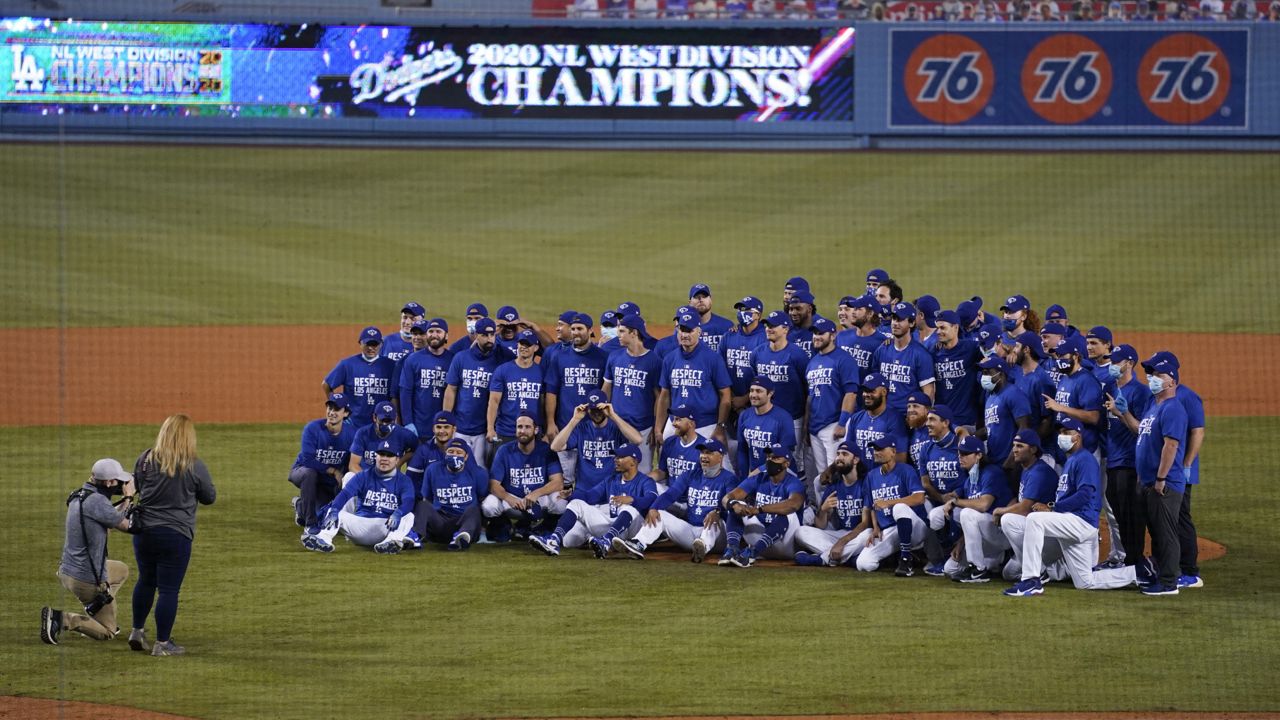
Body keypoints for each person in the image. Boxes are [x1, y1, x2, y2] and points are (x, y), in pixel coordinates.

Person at [1002, 419, 1146, 597]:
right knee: (1085, 582)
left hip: (1081, 522)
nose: (1062, 436)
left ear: (1078, 437)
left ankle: (1032, 579)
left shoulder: (1084, 459)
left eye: (1067, 432)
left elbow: (1085, 494)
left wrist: (1053, 507)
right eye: (1060, 432)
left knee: (1035, 519)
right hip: (1072, 527)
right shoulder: (1071, 460)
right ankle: (1139, 573)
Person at [130, 414, 217, 657]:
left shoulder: (145, 458)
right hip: (176, 534)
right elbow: (209, 497)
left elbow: (136, 485)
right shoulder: (193, 465)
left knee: (145, 580)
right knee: (168, 590)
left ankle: (136, 631)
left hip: (143, 532)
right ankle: (162, 643)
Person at [41, 459, 137, 646]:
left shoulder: (80, 495)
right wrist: (128, 498)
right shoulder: (98, 501)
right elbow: (123, 523)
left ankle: (97, 609)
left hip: (68, 570)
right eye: (118, 481)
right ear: (109, 482)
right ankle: (62, 619)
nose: (120, 485)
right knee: (108, 632)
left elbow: (105, 517)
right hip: (86, 578)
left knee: (121, 569)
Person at [612, 438, 738, 562]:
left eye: (709, 453)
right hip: (692, 533)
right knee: (659, 514)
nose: (704, 456)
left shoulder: (730, 479)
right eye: (702, 452)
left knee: (713, 519)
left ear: (720, 457)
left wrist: (718, 512)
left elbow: (731, 507)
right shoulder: (691, 474)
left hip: (717, 536)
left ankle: (703, 547)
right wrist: (654, 508)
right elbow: (670, 494)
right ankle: (638, 544)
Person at [529, 444, 657, 557]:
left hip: (633, 530)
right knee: (577, 504)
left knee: (628, 508)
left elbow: (651, 499)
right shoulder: (611, 479)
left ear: (633, 461)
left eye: (621, 457)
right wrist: (571, 495)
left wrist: (632, 500)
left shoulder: (646, 481)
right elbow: (590, 496)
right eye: (616, 456)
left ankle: (605, 542)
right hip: (613, 528)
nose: (616, 459)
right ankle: (554, 540)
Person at [1133, 351, 1190, 596]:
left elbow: (1171, 445)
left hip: (1164, 484)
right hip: (1149, 482)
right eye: (1151, 373)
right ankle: (1161, 577)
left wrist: (1160, 478)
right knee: (1157, 532)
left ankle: (1169, 583)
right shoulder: (1155, 406)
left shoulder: (1173, 408)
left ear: (1172, 381)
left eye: (1158, 374)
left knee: (1166, 533)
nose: (1152, 378)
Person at [303, 440, 415, 555]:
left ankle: (391, 543)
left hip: (385, 528)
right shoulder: (364, 476)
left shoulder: (404, 481)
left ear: (397, 460)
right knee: (335, 510)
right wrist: (335, 509)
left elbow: (409, 501)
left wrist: (399, 512)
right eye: (381, 454)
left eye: (390, 455)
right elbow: (345, 494)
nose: (384, 458)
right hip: (360, 526)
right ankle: (323, 538)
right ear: (375, 457)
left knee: (408, 516)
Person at [1101, 344, 1153, 568]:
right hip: (1112, 460)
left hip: (1130, 462)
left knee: (1132, 515)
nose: (1112, 365)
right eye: (1110, 360)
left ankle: (1136, 561)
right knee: (1120, 514)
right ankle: (1129, 560)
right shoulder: (1109, 387)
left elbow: (1141, 430)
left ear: (1129, 363)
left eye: (1116, 361)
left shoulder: (1141, 392)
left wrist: (1122, 413)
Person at [483, 414, 566, 542]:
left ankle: (546, 527)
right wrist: (508, 497)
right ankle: (502, 526)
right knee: (489, 505)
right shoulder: (504, 450)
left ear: (536, 430)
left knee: (560, 502)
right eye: (519, 427)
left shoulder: (546, 450)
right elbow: (493, 484)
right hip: (512, 498)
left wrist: (537, 493)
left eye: (527, 427)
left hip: (538, 498)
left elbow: (558, 482)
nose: (522, 431)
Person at [719, 446, 807, 567]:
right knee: (737, 505)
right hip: (760, 539)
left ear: (786, 464)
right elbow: (727, 497)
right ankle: (732, 550)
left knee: (787, 512)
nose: (770, 461)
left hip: (786, 543)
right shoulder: (759, 478)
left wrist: (760, 509)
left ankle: (752, 553)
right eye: (769, 457)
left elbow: (793, 505)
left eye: (775, 458)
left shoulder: (794, 483)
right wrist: (734, 504)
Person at [654, 310, 732, 442]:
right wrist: (658, 428)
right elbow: (665, 395)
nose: (684, 335)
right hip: (675, 423)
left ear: (699, 332)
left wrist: (720, 426)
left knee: (709, 461)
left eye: (689, 330)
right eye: (682, 330)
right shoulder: (670, 359)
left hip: (705, 425)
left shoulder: (713, 359)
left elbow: (725, 395)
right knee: (667, 459)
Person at [855, 435, 927, 577]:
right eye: (875, 449)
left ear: (893, 452)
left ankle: (906, 560)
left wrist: (888, 502)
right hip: (890, 530)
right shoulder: (871, 476)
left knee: (899, 508)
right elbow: (872, 506)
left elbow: (919, 498)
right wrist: (875, 528)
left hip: (915, 528)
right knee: (864, 564)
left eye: (881, 449)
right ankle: (894, 557)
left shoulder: (906, 470)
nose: (876, 452)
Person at [993, 429, 1060, 581]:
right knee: (1009, 573)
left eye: (1020, 446)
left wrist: (1000, 510)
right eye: (1014, 445)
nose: (1014, 450)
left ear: (1034, 449)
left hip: (1050, 536)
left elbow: (1024, 508)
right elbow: (1022, 502)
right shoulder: (1027, 469)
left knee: (1008, 520)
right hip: (1037, 534)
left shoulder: (1040, 472)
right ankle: (1045, 569)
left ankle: (1040, 570)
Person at [550, 389, 646, 492]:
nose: (596, 414)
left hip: (611, 489)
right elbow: (555, 447)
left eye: (599, 409)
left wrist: (613, 415)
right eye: (593, 410)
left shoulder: (616, 428)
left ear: (605, 407)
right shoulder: (581, 428)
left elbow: (638, 440)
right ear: (587, 410)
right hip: (584, 490)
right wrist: (574, 420)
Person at [794, 443, 873, 567]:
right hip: (839, 533)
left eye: (845, 454)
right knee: (801, 532)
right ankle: (849, 557)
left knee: (868, 534)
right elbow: (821, 525)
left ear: (856, 460)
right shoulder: (834, 485)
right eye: (838, 454)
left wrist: (841, 543)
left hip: (858, 534)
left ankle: (823, 559)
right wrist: (823, 510)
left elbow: (865, 523)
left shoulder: (865, 483)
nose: (839, 458)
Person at [601, 313, 663, 473]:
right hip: (616, 426)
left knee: (641, 473)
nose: (617, 335)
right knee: (612, 472)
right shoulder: (614, 357)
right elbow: (606, 389)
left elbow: (659, 397)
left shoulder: (654, 361)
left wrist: (656, 427)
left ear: (634, 333)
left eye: (621, 331)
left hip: (643, 427)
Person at [804, 316, 860, 492]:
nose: (817, 337)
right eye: (814, 333)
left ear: (833, 335)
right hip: (815, 428)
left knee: (837, 474)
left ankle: (841, 516)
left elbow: (850, 393)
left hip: (834, 425)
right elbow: (810, 397)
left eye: (821, 333)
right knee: (823, 477)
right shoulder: (812, 362)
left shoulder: (844, 359)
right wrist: (807, 427)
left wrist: (842, 423)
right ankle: (826, 517)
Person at [947, 436, 1014, 582]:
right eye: (959, 453)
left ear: (978, 455)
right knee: (950, 568)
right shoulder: (970, 479)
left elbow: (984, 505)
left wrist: (955, 502)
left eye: (965, 454)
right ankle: (992, 561)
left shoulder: (992, 472)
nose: (960, 457)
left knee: (965, 512)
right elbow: (972, 522)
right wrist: (960, 543)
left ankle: (978, 568)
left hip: (1001, 532)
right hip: (986, 535)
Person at [443, 317, 504, 465]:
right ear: (476, 335)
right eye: (485, 335)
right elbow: (451, 389)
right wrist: (447, 421)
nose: (489, 339)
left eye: (492, 335)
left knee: (482, 470)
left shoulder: (501, 360)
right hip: (460, 427)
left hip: (485, 431)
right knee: (455, 466)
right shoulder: (461, 358)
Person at [411, 439, 490, 551]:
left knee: (474, 510)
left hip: (465, 521)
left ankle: (462, 537)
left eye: (458, 453)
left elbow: (482, 500)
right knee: (422, 505)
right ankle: (415, 536)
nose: (454, 455)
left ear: (466, 456)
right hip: (441, 521)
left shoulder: (479, 473)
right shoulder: (432, 470)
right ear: (445, 453)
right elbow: (427, 498)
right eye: (451, 451)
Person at [323, 326, 397, 429]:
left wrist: (393, 417)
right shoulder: (347, 364)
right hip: (353, 425)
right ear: (360, 343)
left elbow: (394, 395)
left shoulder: (391, 366)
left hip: (381, 424)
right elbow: (326, 384)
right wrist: (337, 408)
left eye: (374, 344)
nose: (371, 348)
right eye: (367, 344)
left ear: (381, 344)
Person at [487, 329, 545, 453]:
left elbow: (543, 403)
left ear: (535, 348)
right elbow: (494, 401)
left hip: (532, 433)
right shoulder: (502, 370)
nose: (523, 347)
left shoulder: (541, 372)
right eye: (521, 344)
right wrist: (490, 428)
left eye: (528, 345)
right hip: (506, 431)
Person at [873, 302, 936, 414]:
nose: (895, 323)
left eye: (900, 320)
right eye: (894, 318)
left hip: (906, 416)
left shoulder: (921, 355)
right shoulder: (882, 350)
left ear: (911, 323)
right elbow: (874, 382)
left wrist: (922, 416)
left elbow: (929, 390)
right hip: (883, 414)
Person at [399, 318, 455, 436]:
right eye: (430, 331)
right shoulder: (413, 359)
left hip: (445, 428)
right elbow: (405, 392)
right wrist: (408, 422)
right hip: (419, 427)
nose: (434, 335)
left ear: (446, 336)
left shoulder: (454, 360)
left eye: (438, 331)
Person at [688, 283, 733, 353]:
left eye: (704, 296)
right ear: (690, 302)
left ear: (710, 299)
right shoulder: (684, 329)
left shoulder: (726, 326)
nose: (701, 300)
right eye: (697, 297)